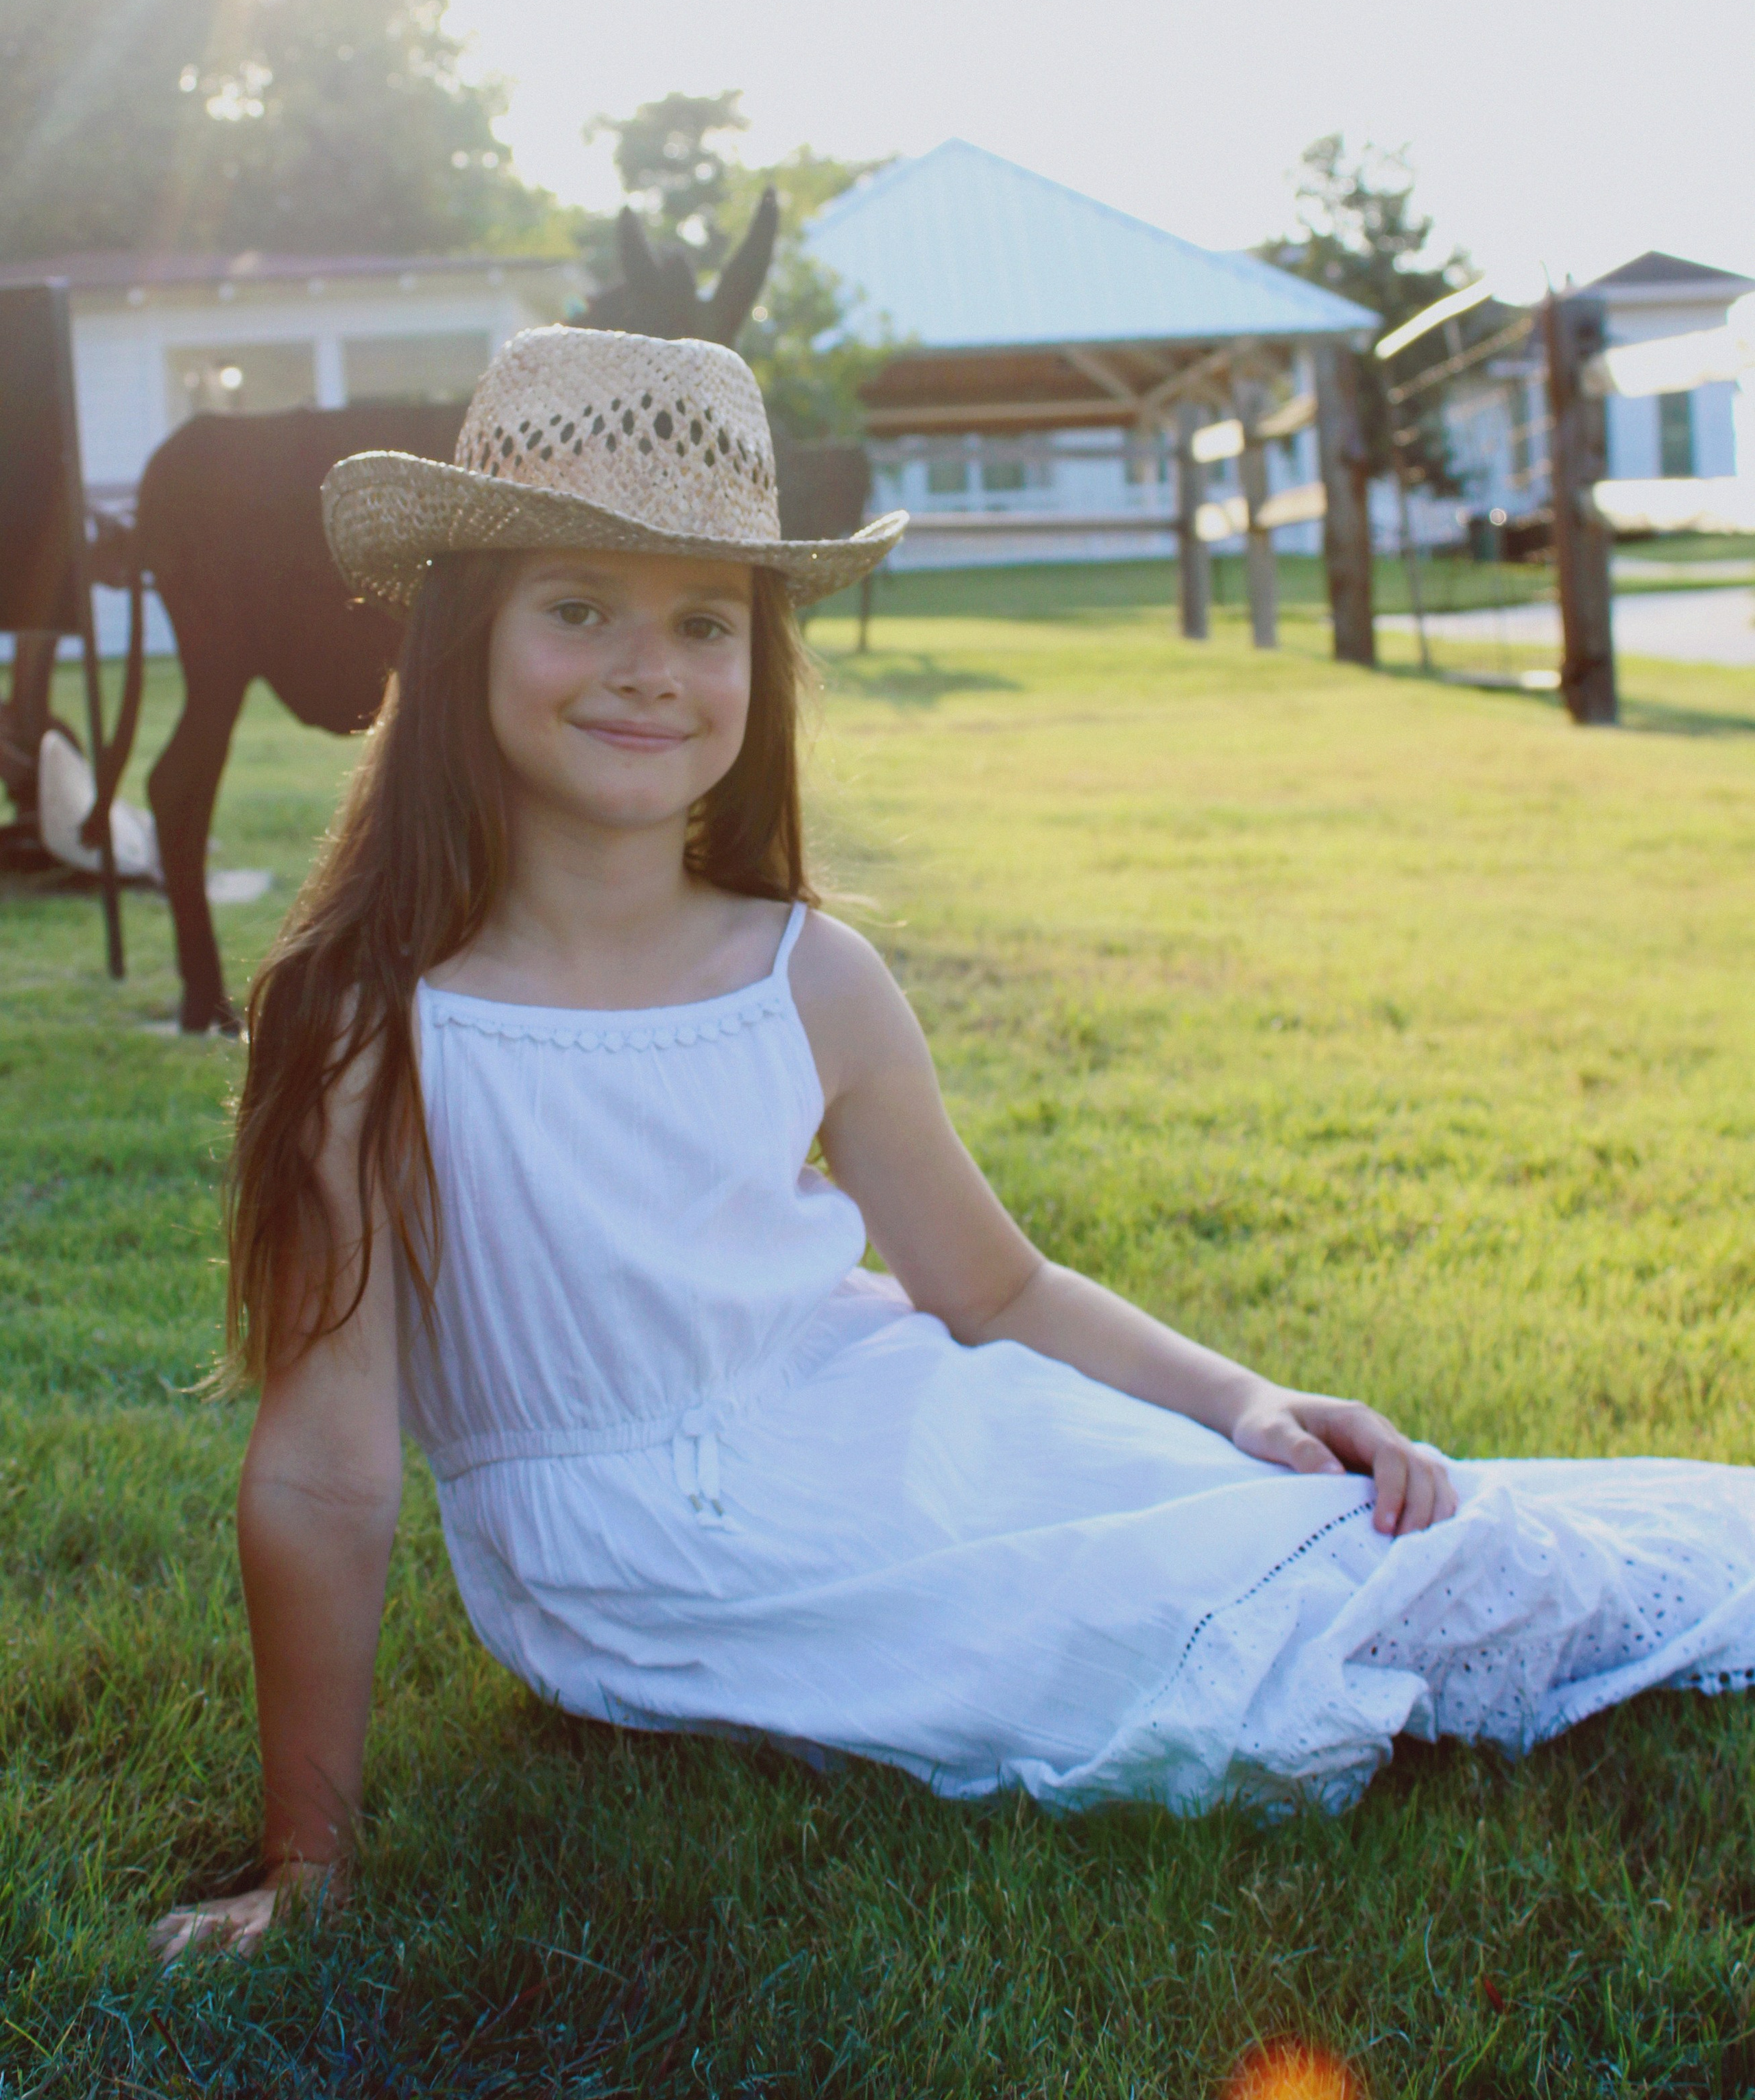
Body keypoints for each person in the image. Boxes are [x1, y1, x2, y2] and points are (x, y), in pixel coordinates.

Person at [153, 328, 1755, 1964]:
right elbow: (327, 1460)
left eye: (705, 621)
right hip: (648, 1566)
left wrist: (1239, 1397)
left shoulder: (806, 973)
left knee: (1379, 1537)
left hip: (897, 1431)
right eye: (579, 605)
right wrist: (308, 1863)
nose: (649, 666)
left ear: (757, 666)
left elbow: (990, 1288)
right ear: (466, 628)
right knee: (1259, 1624)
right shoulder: (362, 1017)